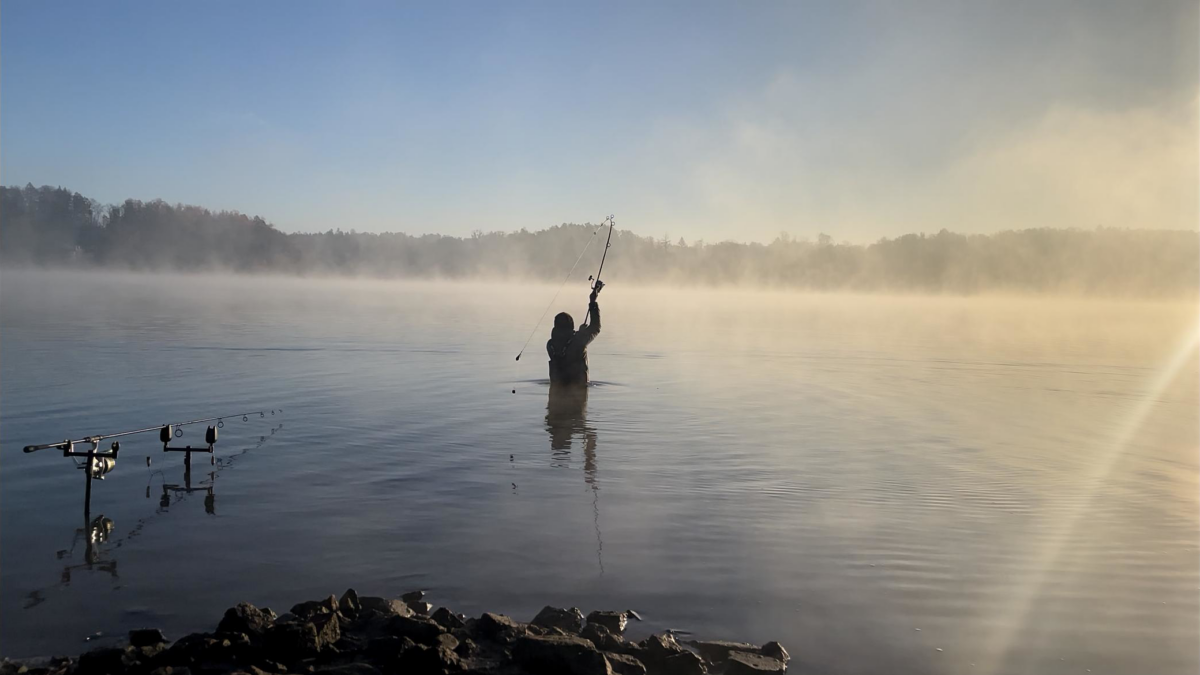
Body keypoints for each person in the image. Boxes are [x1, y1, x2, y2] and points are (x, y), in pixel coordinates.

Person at [547, 280, 604, 386]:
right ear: (571, 327)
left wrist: (579, 333)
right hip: (578, 395)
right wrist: (593, 302)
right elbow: (596, 327)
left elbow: (565, 343)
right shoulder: (579, 341)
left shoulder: (550, 345)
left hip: (556, 394)